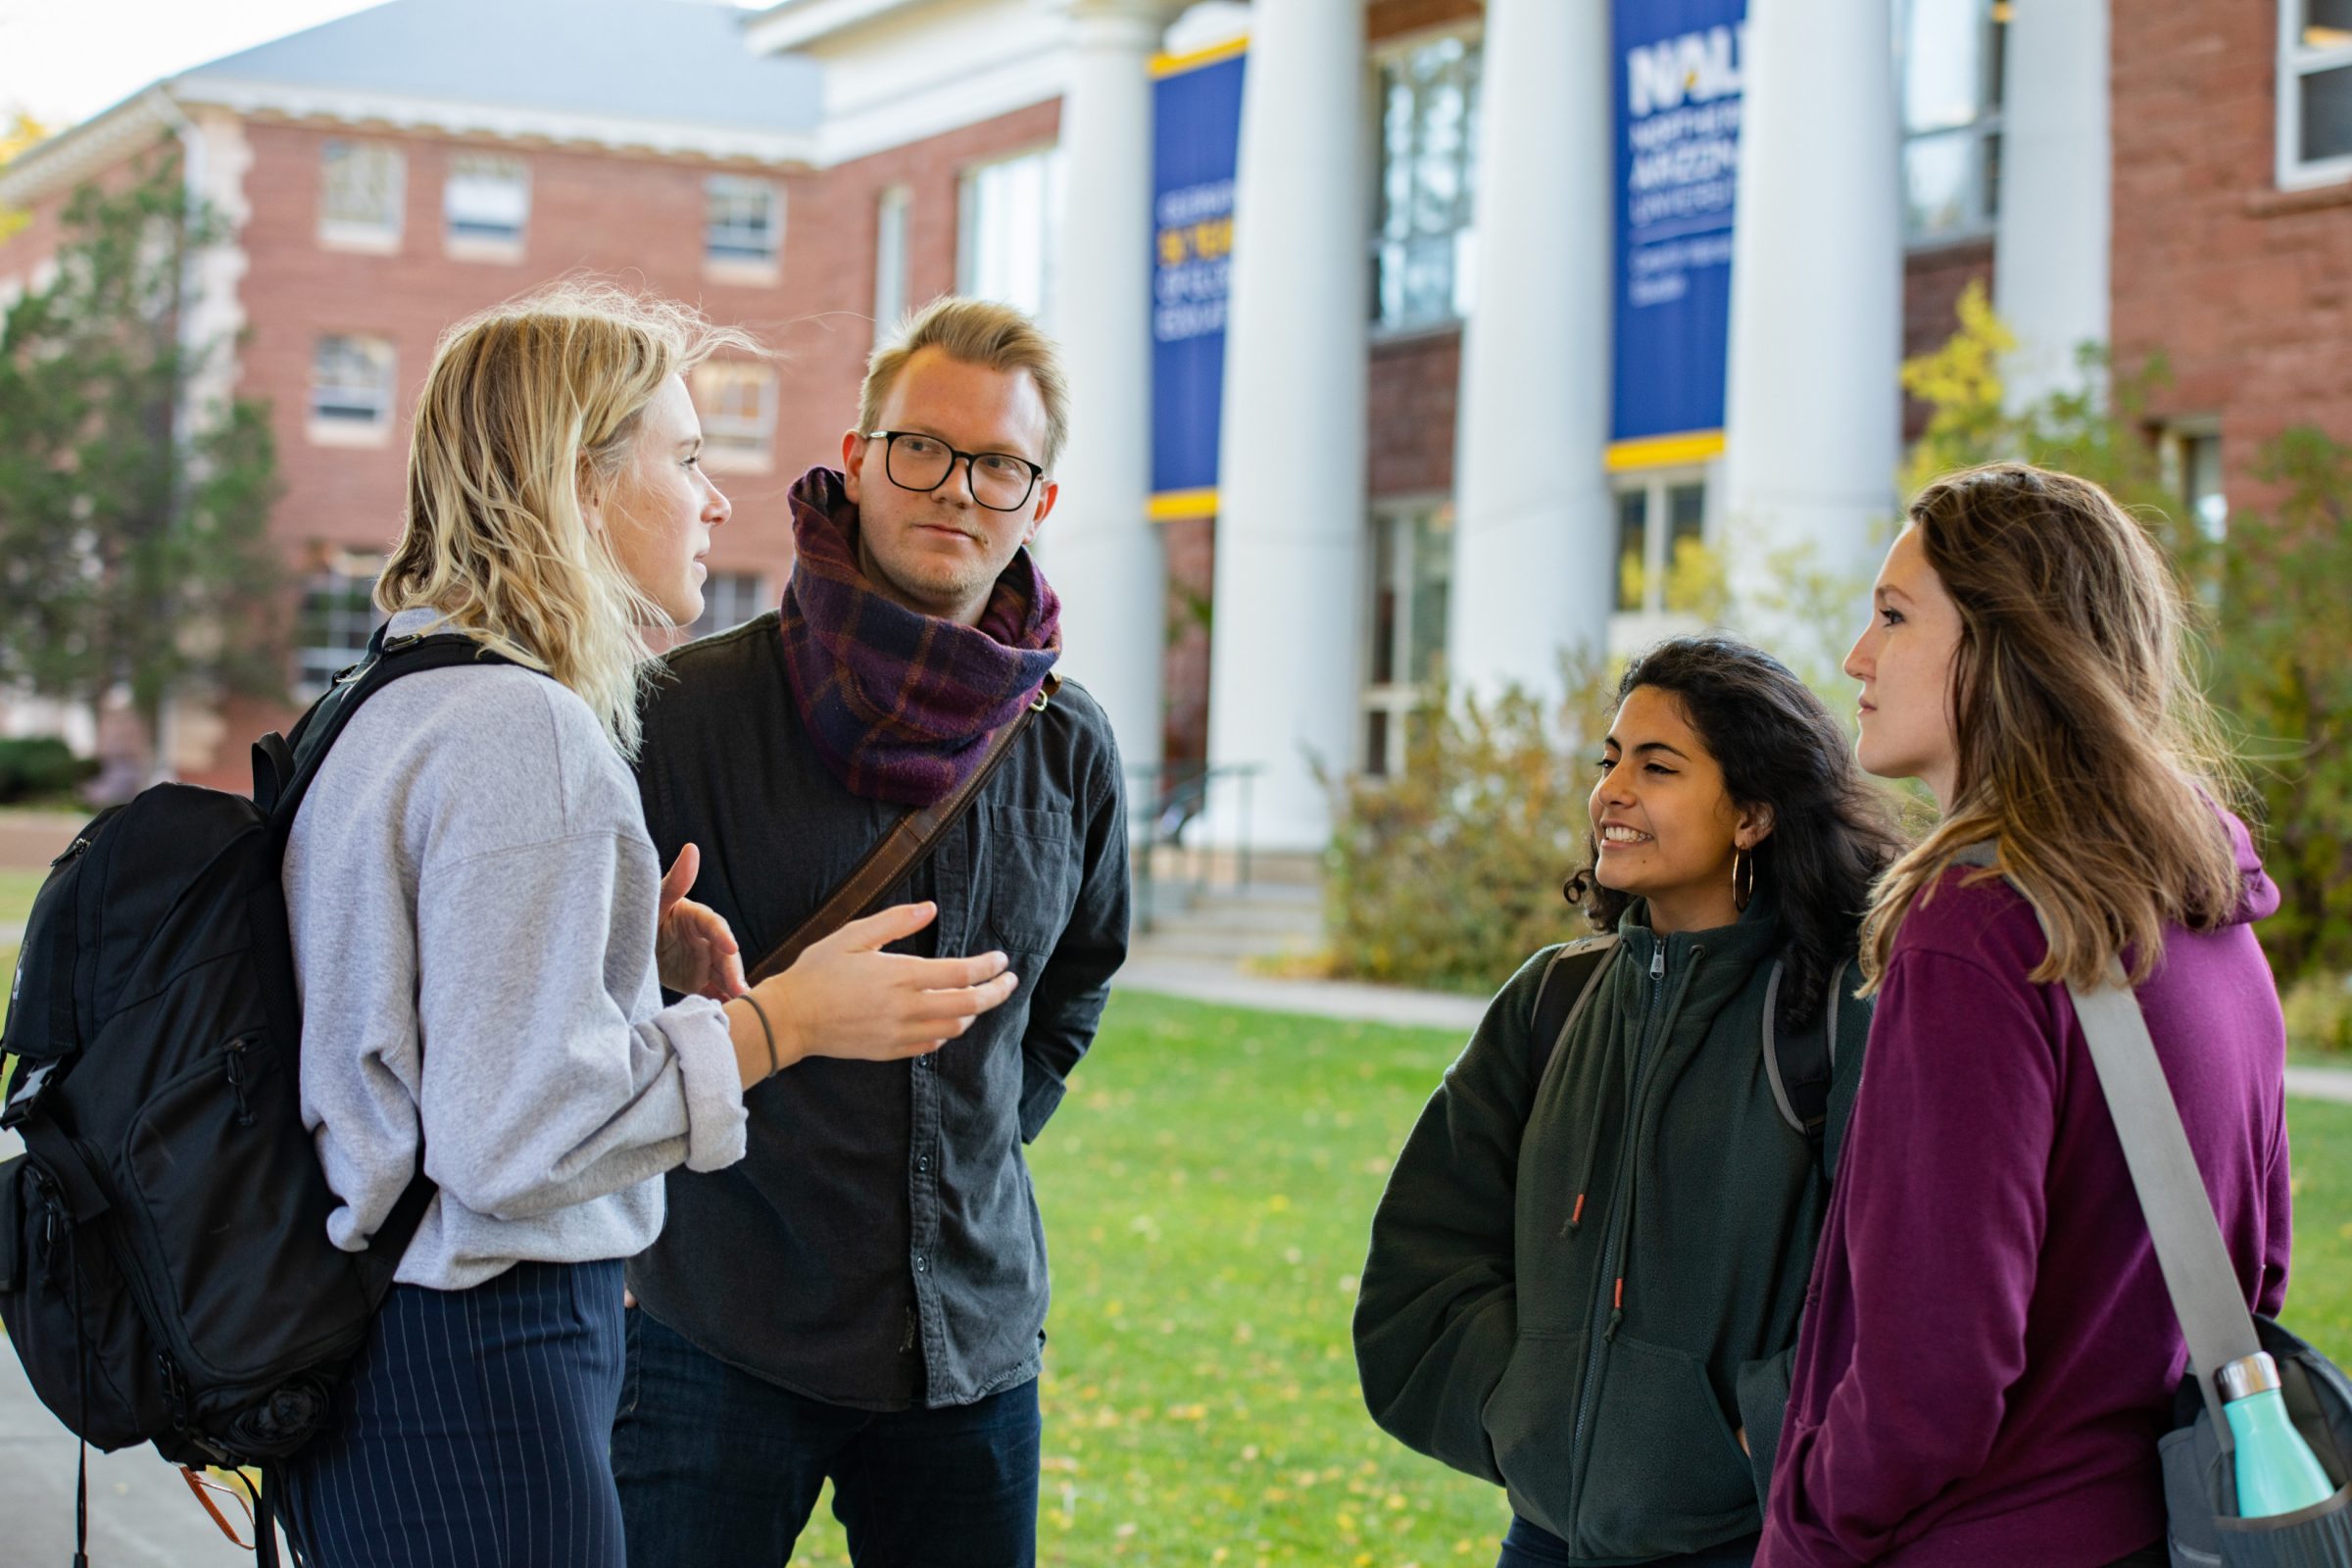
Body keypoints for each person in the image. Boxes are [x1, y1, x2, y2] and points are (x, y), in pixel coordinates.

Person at [274, 284, 1019, 1568]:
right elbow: (514, 1141)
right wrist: (781, 1025)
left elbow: (414, 1037)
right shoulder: (530, 734)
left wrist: (621, 975)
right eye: (684, 457)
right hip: (479, 1361)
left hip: (365, 1339)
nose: (717, 498)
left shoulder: (392, 693)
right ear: (581, 479)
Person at [612, 296, 1130, 1568]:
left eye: (1000, 463)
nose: (958, 487)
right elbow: (578, 1008)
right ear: (855, 456)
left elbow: (1075, 990)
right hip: (715, 1326)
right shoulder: (682, 714)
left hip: (967, 1348)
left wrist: (984, 1132)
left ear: (1040, 501)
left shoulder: (1068, 746)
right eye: (922, 447)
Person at [1757, 463, 2292, 1568]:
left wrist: (1806, 1522)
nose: (1857, 657)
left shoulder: (1982, 929)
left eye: (1895, 617)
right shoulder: (2207, 913)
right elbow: (2257, 1268)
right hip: (2161, 1526)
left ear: (2012, 645)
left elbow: (1931, 1380)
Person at [1355, 635, 1905, 1568]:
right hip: (1545, 1539)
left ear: (1754, 815)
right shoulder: (1551, 1000)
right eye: (1610, 760)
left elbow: (1888, 1293)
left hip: (1742, 1542)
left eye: (1658, 767)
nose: (1611, 792)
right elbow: (1427, 1247)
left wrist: (1745, 1444)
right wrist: (1524, 1408)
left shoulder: (1837, 1015)